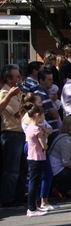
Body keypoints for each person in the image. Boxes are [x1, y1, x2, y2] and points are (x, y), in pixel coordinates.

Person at [0, 65, 26, 207]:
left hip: (20, 132)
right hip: (11, 133)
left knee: (22, 168)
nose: (19, 79)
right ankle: (8, 198)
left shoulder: (18, 92)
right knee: (12, 169)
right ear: (8, 79)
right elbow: (18, 113)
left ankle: (19, 195)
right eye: (17, 76)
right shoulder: (4, 93)